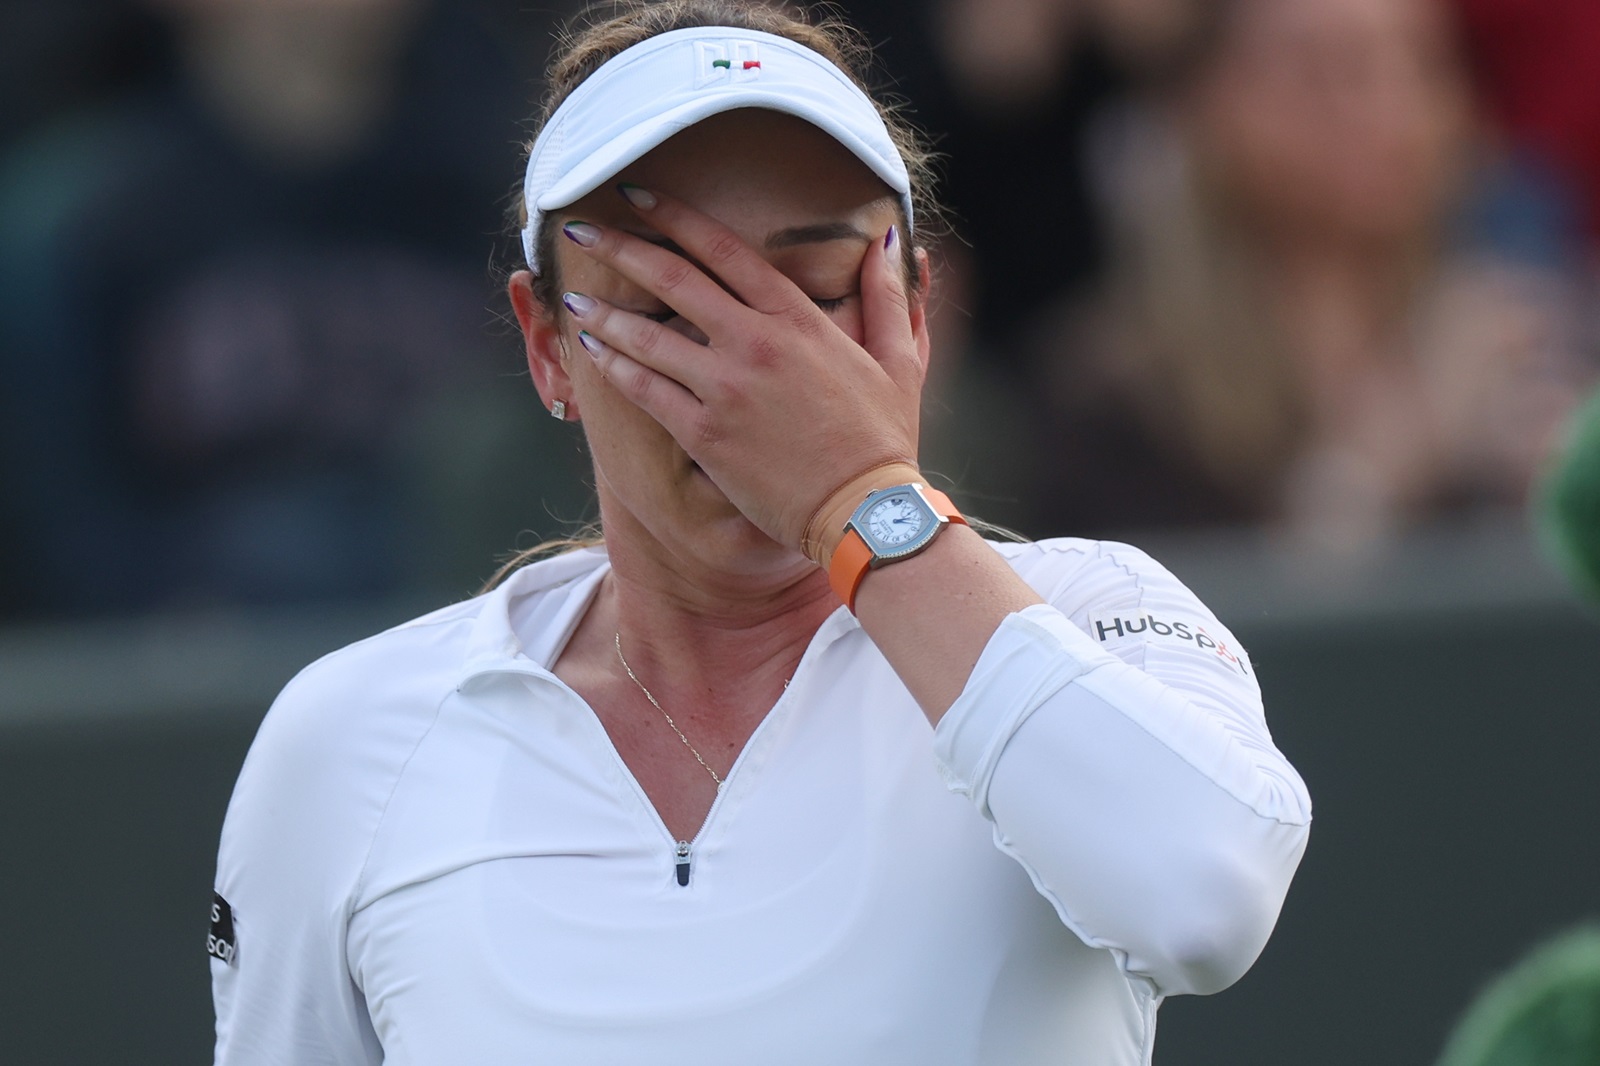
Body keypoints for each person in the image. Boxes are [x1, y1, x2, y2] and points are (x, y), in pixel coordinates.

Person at [209, 2, 1310, 1063]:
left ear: (917, 314)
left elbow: (1204, 900)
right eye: (665, 304)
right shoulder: (349, 740)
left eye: (816, 292)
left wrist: (854, 491)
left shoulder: (1090, 613)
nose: (754, 369)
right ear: (547, 346)